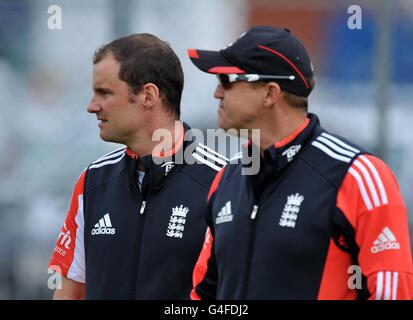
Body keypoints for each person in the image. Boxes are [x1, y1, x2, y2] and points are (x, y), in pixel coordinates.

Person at [187, 26, 413, 299]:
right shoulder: (226, 179)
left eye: (227, 81)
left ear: (270, 93)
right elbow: (205, 292)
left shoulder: (357, 175)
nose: (217, 94)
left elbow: (393, 291)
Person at [48, 33, 227, 299]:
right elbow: (70, 290)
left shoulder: (224, 181)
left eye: (104, 93)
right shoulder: (93, 181)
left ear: (147, 95)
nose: (91, 106)